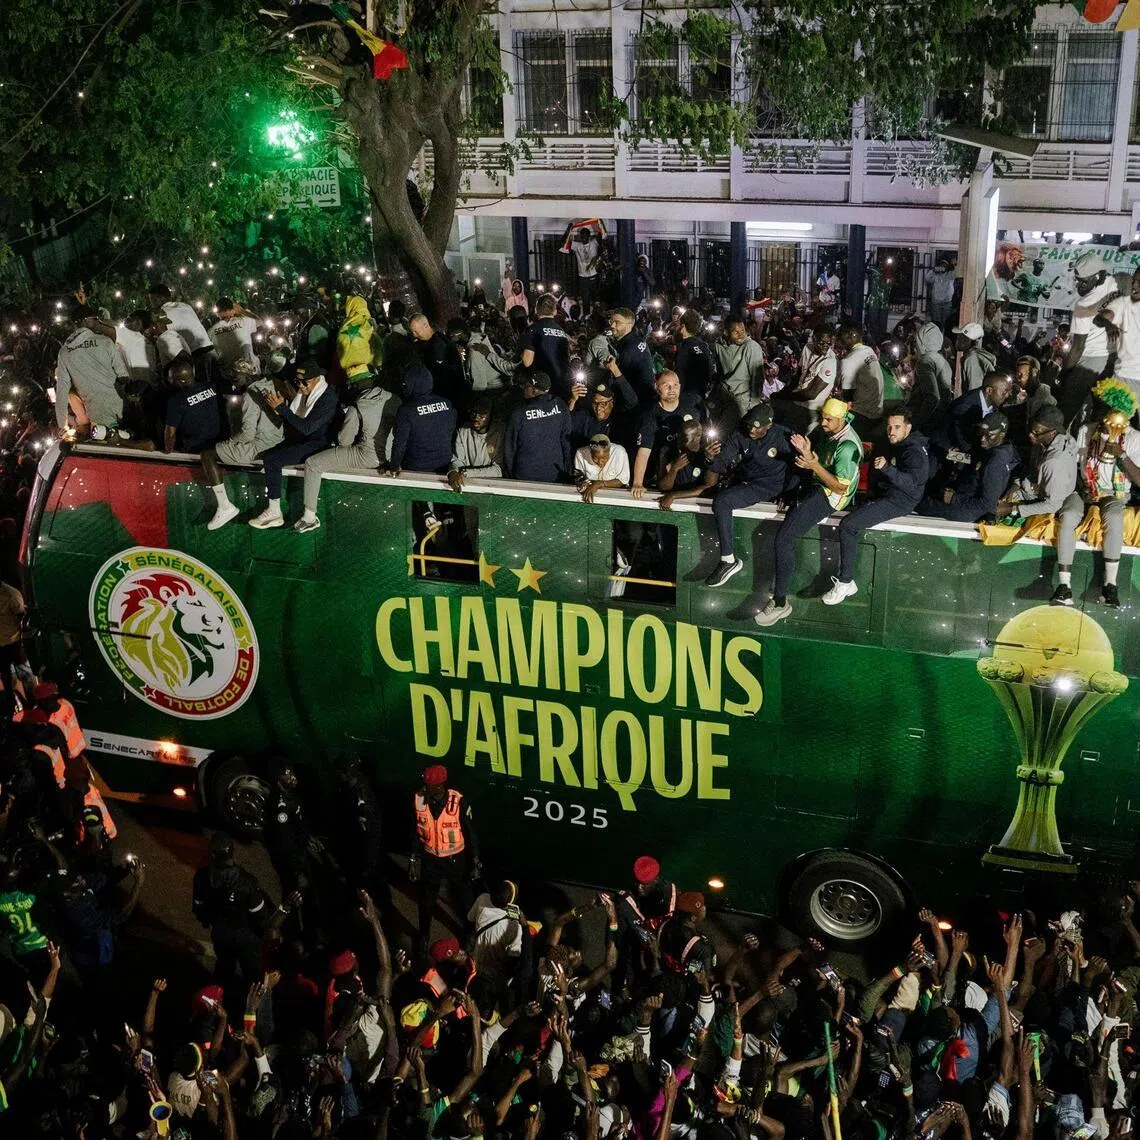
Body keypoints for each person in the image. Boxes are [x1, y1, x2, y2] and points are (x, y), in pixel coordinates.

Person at [755, 396, 863, 627]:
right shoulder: (828, 432)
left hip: (831, 495)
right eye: (822, 418)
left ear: (841, 420)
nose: (823, 423)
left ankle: (781, 601)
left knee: (784, 538)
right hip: (818, 482)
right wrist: (807, 452)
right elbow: (814, 461)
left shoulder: (847, 447)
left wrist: (813, 465)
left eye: (828, 420)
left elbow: (839, 487)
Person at [822, 407, 930, 606]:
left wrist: (888, 469)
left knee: (848, 526)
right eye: (889, 427)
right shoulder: (897, 443)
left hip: (900, 500)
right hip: (887, 493)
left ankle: (846, 581)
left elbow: (912, 485)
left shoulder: (913, 452)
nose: (891, 431)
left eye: (897, 427)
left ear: (908, 428)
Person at [1049, 388, 1136, 607]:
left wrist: (1121, 455)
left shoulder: (1135, 438)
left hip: (1114, 494)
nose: (1107, 419)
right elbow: (1077, 466)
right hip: (1086, 490)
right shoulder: (1086, 430)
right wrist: (1082, 486)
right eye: (1104, 412)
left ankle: (1110, 585)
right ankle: (1064, 586)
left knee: (1115, 517)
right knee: (1068, 515)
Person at [294, 372, 400, 533]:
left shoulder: (356, 406)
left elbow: (345, 441)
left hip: (368, 457)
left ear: (354, 386)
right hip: (392, 456)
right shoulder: (394, 398)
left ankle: (309, 518)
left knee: (312, 464)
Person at [705, 402, 796, 587]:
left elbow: (799, 469)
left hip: (771, 485)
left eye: (757, 427)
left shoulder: (784, 437)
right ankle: (729, 560)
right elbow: (721, 463)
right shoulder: (740, 433)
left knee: (723, 502)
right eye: (749, 425)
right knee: (720, 500)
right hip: (748, 481)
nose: (751, 431)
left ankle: (731, 561)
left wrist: (790, 492)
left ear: (769, 425)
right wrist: (709, 458)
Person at [249, 360, 338, 528]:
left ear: (318, 379)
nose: (301, 386)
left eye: (305, 382)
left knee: (273, 460)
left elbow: (307, 428)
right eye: (298, 382)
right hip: (303, 439)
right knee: (266, 456)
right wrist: (280, 410)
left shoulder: (328, 398)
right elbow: (295, 423)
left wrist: (283, 409)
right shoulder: (303, 394)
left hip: (318, 443)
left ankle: (274, 511)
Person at [191, 832, 277, 1001]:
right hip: (246, 936)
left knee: (224, 968)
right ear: (231, 853)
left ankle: (218, 1002)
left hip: (221, 934)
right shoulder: (247, 882)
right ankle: (252, 1008)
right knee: (253, 976)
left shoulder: (201, 878)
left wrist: (207, 921)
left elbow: (199, 908)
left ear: (213, 854)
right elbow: (259, 917)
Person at [201, 373, 286, 530]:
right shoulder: (272, 383)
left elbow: (247, 434)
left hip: (260, 446)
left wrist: (230, 441)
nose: (233, 381)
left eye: (236, 377)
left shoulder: (249, 394)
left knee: (208, 455)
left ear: (246, 376)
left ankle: (225, 506)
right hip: (278, 442)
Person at [409, 764, 479, 951]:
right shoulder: (419, 800)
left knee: (466, 901)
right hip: (431, 858)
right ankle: (424, 934)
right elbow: (416, 831)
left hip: (455, 859)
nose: (425, 788)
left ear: (440, 786)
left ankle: (470, 933)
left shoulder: (458, 803)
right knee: (426, 901)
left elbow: (470, 833)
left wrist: (475, 860)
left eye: (429, 785)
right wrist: (414, 858)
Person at [917, 410, 1019, 522]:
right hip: (964, 496)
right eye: (981, 433)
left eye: (989, 435)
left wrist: (954, 499)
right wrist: (958, 457)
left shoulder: (994, 463)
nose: (983, 439)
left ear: (1002, 435)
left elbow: (988, 504)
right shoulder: (1004, 450)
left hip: (965, 510)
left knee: (916, 499)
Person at [998, 404, 1077, 538]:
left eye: (1036, 432)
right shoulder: (1049, 441)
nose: (1030, 434)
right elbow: (1034, 472)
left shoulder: (1054, 462)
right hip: (1035, 488)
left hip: (1050, 504)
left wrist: (1012, 509)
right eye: (1031, 429)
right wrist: (1016, 485)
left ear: (1053, 432)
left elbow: (1053, 504)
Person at [1060, 251, 1117, 425]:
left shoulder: (1083, 306)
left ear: (1099, 275)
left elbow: (1078, 348)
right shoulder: (1113, 283)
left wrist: (1064, 372)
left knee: (1065, 411)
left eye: (1084, 281)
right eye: (1077, 280)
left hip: (1089, 359)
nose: (1079, 285)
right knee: (1101, 412)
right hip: (1111, 357)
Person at [54, 306, 129, 434]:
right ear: (84, 321)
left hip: (98, 418)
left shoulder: (64, 352)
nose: (97, 322)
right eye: (94, 319)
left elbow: (62, 391)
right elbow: (124, 377)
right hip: (122, 410)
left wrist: (62, 424)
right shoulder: (105, 342)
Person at [630, 370, 703, 496]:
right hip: (663, 468)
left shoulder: (693, 403)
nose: (672, 389)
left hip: (692, 463)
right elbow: (643, 453)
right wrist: (637, 483)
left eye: (675, 385)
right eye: (666, 386)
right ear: (656, 387)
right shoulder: (650, 416)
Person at [386, 361, 457, 476]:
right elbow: (450, 432)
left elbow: (399, 445)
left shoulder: (406, 410)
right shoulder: (447, 404)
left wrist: (394, 467)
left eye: (405, 383)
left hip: (416, 468)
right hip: (444, 465)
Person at [503, 371, 571, 483]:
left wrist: (509, 476)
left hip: (524, 477)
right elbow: (567, 441)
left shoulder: (519, 412)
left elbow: (509, 448)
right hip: (555, 475)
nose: (523, 388)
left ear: (534, 390)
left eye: (526, 386)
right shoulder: (560, 405)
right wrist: (567, 471)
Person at [775, 327, 837, 435]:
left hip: (811, 407)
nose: (825, 346)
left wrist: (787, 396)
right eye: (821, 343)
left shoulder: (830, 361)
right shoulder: (808, 347)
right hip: (797, 400)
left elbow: (811, 394)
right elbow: (799, 373)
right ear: (814, 338)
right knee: (782, 431)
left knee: (796, 437)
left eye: (829, 343)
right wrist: (785, 391)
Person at [164, 358, 226, 454]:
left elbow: (170, 434)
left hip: (193, 448)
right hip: (217, 444)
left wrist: (169, 453)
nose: (167, 379)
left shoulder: (176, 399)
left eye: (170, 378)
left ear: (181, 381)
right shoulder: (211, 386)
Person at [836, 323, 884, 442]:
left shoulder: (848, 360)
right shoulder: (868, 350)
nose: (839, 340)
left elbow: (847, 397)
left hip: (862, 414)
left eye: (841, 336)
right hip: (877, 410)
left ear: (851, 335)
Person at [1099, 266, 1140, 405]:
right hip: (1125, 377)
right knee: (1115, 424)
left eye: (1139, 281)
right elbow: (1103, 316)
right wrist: (1108, 323)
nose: (1134, 285)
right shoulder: (1123, 303)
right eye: (1134, 280)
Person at [714, 319, 765, 427]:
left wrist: (752, 407)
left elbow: (758, 379)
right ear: (726, 332)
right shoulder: (718, 345)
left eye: (742, 330)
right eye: (736, 331)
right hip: (722, 400)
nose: (741, 334)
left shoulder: (752, 347)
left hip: (742, 404)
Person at [519, 294, 570, 397]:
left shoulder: (533, 329)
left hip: (540, 386)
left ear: (536, 309)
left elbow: (527, 361)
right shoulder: (561, 331)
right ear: (555, 311)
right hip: (561, 384)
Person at [447, 398, 503, 490]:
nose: (476, 417)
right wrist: (453, 471)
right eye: (474, 412)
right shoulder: (463, 430)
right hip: (468, 484)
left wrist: (467, 473)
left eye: (482, 414)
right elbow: (457, 460)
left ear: (491, 415)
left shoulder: (500, 432)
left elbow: (499, 470)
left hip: (492, 485)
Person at [907, 321, 952, 433]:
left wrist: (916, 423)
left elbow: (933, 397)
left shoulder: (925, 361)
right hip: (941, 418)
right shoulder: (941, 359)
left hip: (929, 423)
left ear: (921, 341)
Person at [411, 312, 464, 405]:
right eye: (412, 332)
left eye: (416, 331)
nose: (414, 335)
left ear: (425, 326)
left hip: (449, 397)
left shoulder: (439, 345)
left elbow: (444, 374)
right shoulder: (432, 342)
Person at [606, 308, 656, 404]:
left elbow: (622, 382)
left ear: (630, 325)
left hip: (637, 403)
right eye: (611, 321)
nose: (612, 325)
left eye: (617, 322)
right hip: (646, 397)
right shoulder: (638, 340)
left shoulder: (629, 349)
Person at [148, 283, 212, 356]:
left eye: (152, 299)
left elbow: (163, 335)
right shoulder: (185, 305)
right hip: (210, 348)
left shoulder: (161, 314)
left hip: (196, 353)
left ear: (161, 299)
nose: (151, 303)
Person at [209, 298, 261, 376]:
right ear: (233, 310)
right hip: (250, 373)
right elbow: (260, 321)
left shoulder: (211, 331)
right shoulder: (244, 321)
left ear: (217, 313)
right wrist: (242, 311)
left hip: (229, 378)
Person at [573, 433, 631, 502]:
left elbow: (622, 481)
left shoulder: (620, 452)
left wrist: (599, 484)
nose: (600, 462)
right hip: (593, 495)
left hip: (616, 496)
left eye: (604, 458)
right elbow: (580, 480)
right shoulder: (580, 453)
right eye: (595, 458)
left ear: (609, 451)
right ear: (590, 452)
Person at [674, 310, 716, 396]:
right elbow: (711, 371)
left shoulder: (684, 348)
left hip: (687, 397)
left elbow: (679, 376)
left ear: (683, 327)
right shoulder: (703, 345)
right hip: (702, 396)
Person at [338, 294, 378, 385]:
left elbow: (340, 350)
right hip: (369, 372)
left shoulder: (344, 327)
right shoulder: (369, 325)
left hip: (350, 375)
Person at [952, 321, 997, 392]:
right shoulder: (973, 355)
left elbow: (974, 391)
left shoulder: (972, 359)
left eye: (960, 337)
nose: (957, 340)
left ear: (967, 340)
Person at [571, 226, 601, 313]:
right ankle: (586, 317)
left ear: (589, 236)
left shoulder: (594, 243)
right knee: (585, 300)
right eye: (582, 236)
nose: (583, 238)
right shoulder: (577, 245)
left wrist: (599, 224)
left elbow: (601, 236)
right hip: (583, 277)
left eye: (585, 236)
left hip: (593, 276)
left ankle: (597, 316)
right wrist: (568, 229)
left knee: (596, 299)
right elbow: (564, 243)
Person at [925, 259, 957, 327]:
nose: (942, 267)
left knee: (947, 323)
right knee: (936, 323)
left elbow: (956, 273)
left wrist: (953, 265)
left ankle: (944, 336)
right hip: (936, 303)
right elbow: (927, 278)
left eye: (944, 265)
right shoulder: (935, 276)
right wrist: (933, 270)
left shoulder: (950, 275)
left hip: (947, 302)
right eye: (941, 265)